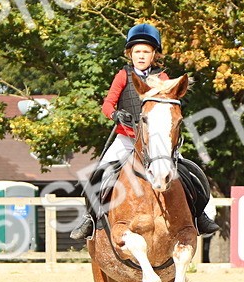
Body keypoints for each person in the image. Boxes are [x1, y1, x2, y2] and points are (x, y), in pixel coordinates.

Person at [70, 22, 220, 240]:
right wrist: (115, 115)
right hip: (127, 138)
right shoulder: (123, 75)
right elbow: (107, 104)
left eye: (146, 52)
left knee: (190, 172)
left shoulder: (163, 78)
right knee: (99, 173)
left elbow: (171, 104)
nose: (141, 56)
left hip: (157, 141)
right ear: (130, 54)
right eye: (137, 51)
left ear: (154, 55)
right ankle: (90, 219)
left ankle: (200, 215)